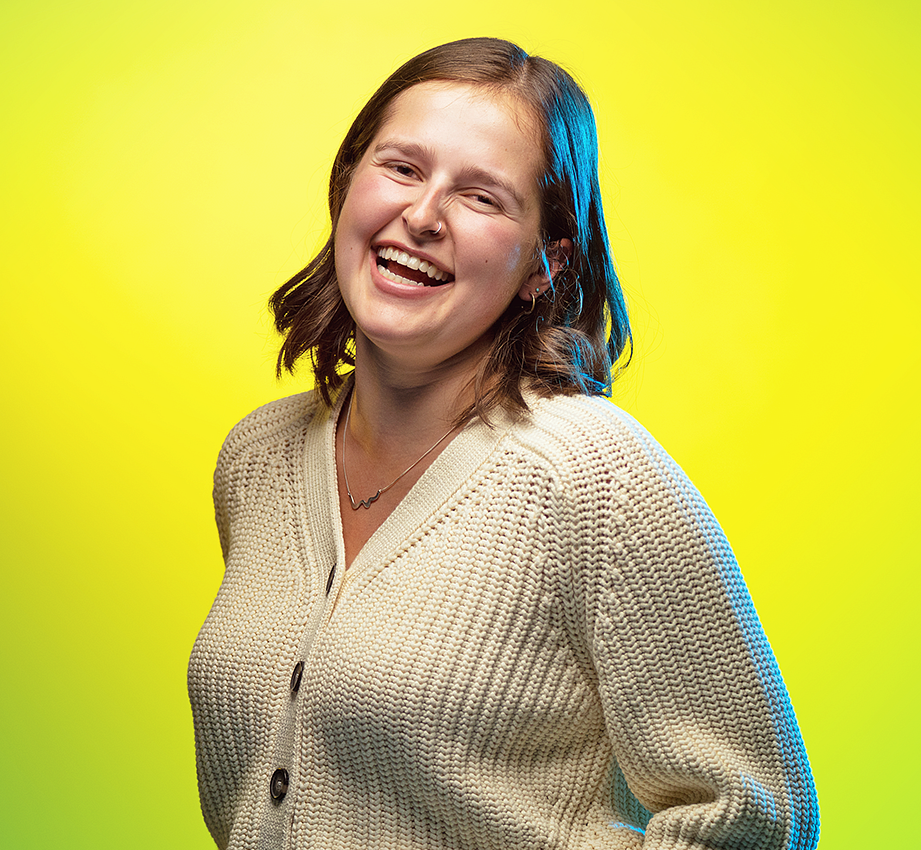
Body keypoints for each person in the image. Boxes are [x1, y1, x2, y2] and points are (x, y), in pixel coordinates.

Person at [188, 37, 819, 850]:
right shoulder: (257, 461)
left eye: (482, 198)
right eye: (402, 169)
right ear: (348, 187)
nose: (422, 217)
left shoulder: (592, 476)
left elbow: (757, 815)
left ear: (542, 264)